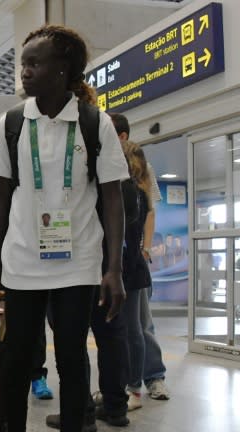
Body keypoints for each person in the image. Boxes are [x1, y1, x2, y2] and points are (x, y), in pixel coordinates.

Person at [0, 26, 128, 432]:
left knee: (71, 359)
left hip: (78, 262)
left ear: (63, 70)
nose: (25, 72)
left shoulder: (93, 122)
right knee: (16, 359)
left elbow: (111, 199)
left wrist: (113, 269)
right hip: (22, 261)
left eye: (35, 63)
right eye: (23, 63)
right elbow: (1, 199)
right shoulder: (10, 123)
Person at [109, 112, 169, 400]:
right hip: (114, 260)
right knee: (125, 324)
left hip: (133, 259)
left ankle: (153, 377)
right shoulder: (106, 165)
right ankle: (126, 381)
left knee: (141, 323)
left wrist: (144, 249)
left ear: (121, 136)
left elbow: (149, 211)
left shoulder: (143, 168)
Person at [119, 141, 155, 411]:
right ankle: (128, 385)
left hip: (130, 269)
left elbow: (127, 236)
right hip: (131, 267)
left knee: (133, 329)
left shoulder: (133, 194)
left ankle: (134, 388)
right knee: (130, 329)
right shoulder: (139, 193)